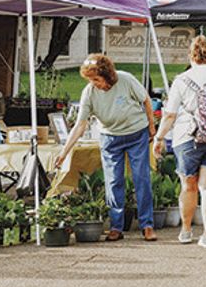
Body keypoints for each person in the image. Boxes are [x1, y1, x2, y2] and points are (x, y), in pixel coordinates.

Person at [54, 54, 158, 241]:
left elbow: (146, 101)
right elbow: (80, 125)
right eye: (91, 80)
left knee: (141, 178)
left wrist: (151, 126)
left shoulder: (125, 80)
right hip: (110, 138)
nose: (94, 83)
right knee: (113, 181)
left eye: (96, 79)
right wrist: (64, 152)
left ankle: (147, 225)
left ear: (108, 75)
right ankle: (116, 227)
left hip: (136, 133)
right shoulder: (89, 92)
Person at [153, 36, 206, 248]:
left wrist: (159, 137)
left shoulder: (182, 80)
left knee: (188, 186)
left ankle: (186, 231)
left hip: (187, 138)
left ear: (190, 56)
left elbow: (170, 115)